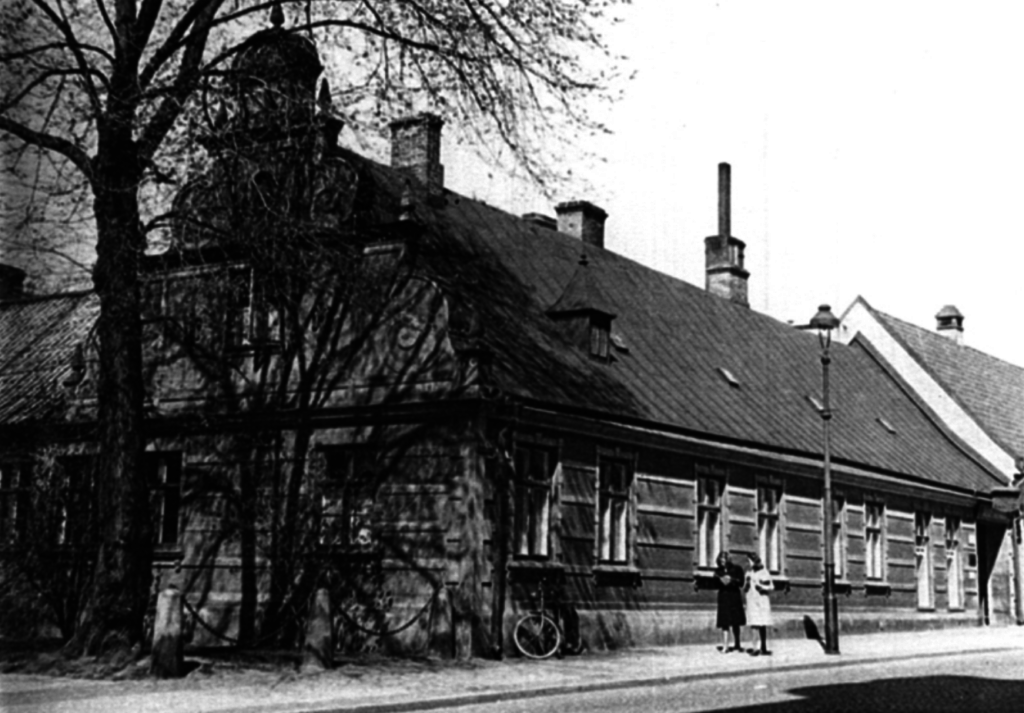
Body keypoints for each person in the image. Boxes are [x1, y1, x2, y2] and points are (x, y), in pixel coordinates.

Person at [714, 551, 745, 652]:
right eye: (721, 560)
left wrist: (732, 579)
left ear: (728, 559)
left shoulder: (737, 569)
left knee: (736, 621)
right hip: (723, 597)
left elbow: (741, 582)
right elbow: (714, 583)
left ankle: (737, 644)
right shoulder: (718, 571)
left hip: (734, 596)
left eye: (724, 559)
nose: (722, 561)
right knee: (725, 622)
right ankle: (725, 645)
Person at [744, 553, 773, 655]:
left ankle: (763, 647)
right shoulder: (748, 573)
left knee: (762, 624)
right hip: (752, 601)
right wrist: (747, 583)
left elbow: (771, 586)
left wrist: (762, 587)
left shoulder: (764, 572)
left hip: (762, 600)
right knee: (754, 624)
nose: (749, 563)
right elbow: (745, 588)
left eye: (750, 561)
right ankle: (755, 648)